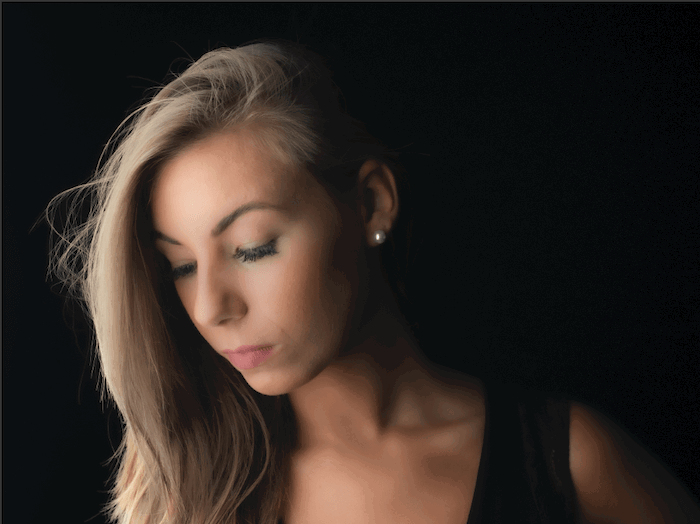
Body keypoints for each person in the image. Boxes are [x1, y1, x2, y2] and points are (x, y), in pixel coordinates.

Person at [45, 40, 699, 524]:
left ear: (371, 204)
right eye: (180, 267)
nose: (211, 306)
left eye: (251, 248)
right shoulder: (175, 494)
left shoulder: (567, 463)